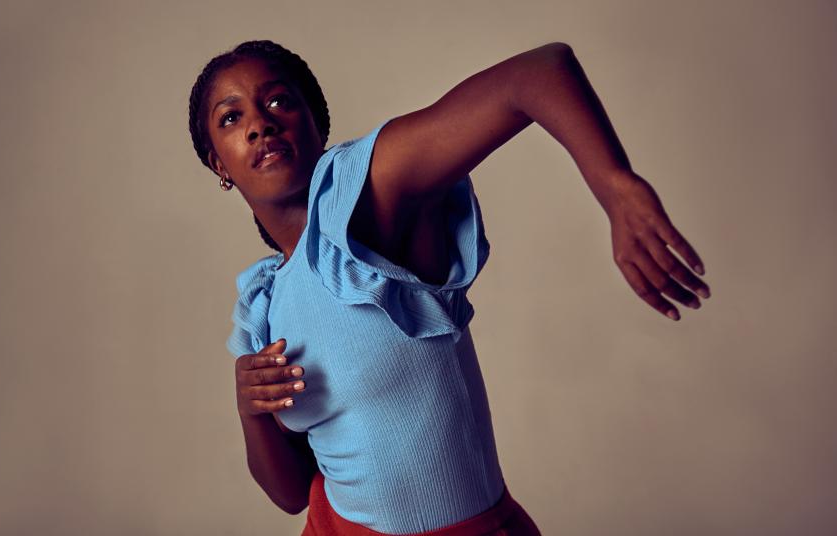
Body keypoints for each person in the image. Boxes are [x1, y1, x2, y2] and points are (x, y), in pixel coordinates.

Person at [187, 40, 711, 535]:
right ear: (218, 162)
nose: (259, 123)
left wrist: (614, 186)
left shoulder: (364, 197)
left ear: (316, 124)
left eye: (279, 100)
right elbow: (291, 493)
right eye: (232, 118)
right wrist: (250, 409)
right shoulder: (264, 301)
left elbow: (538, 71)